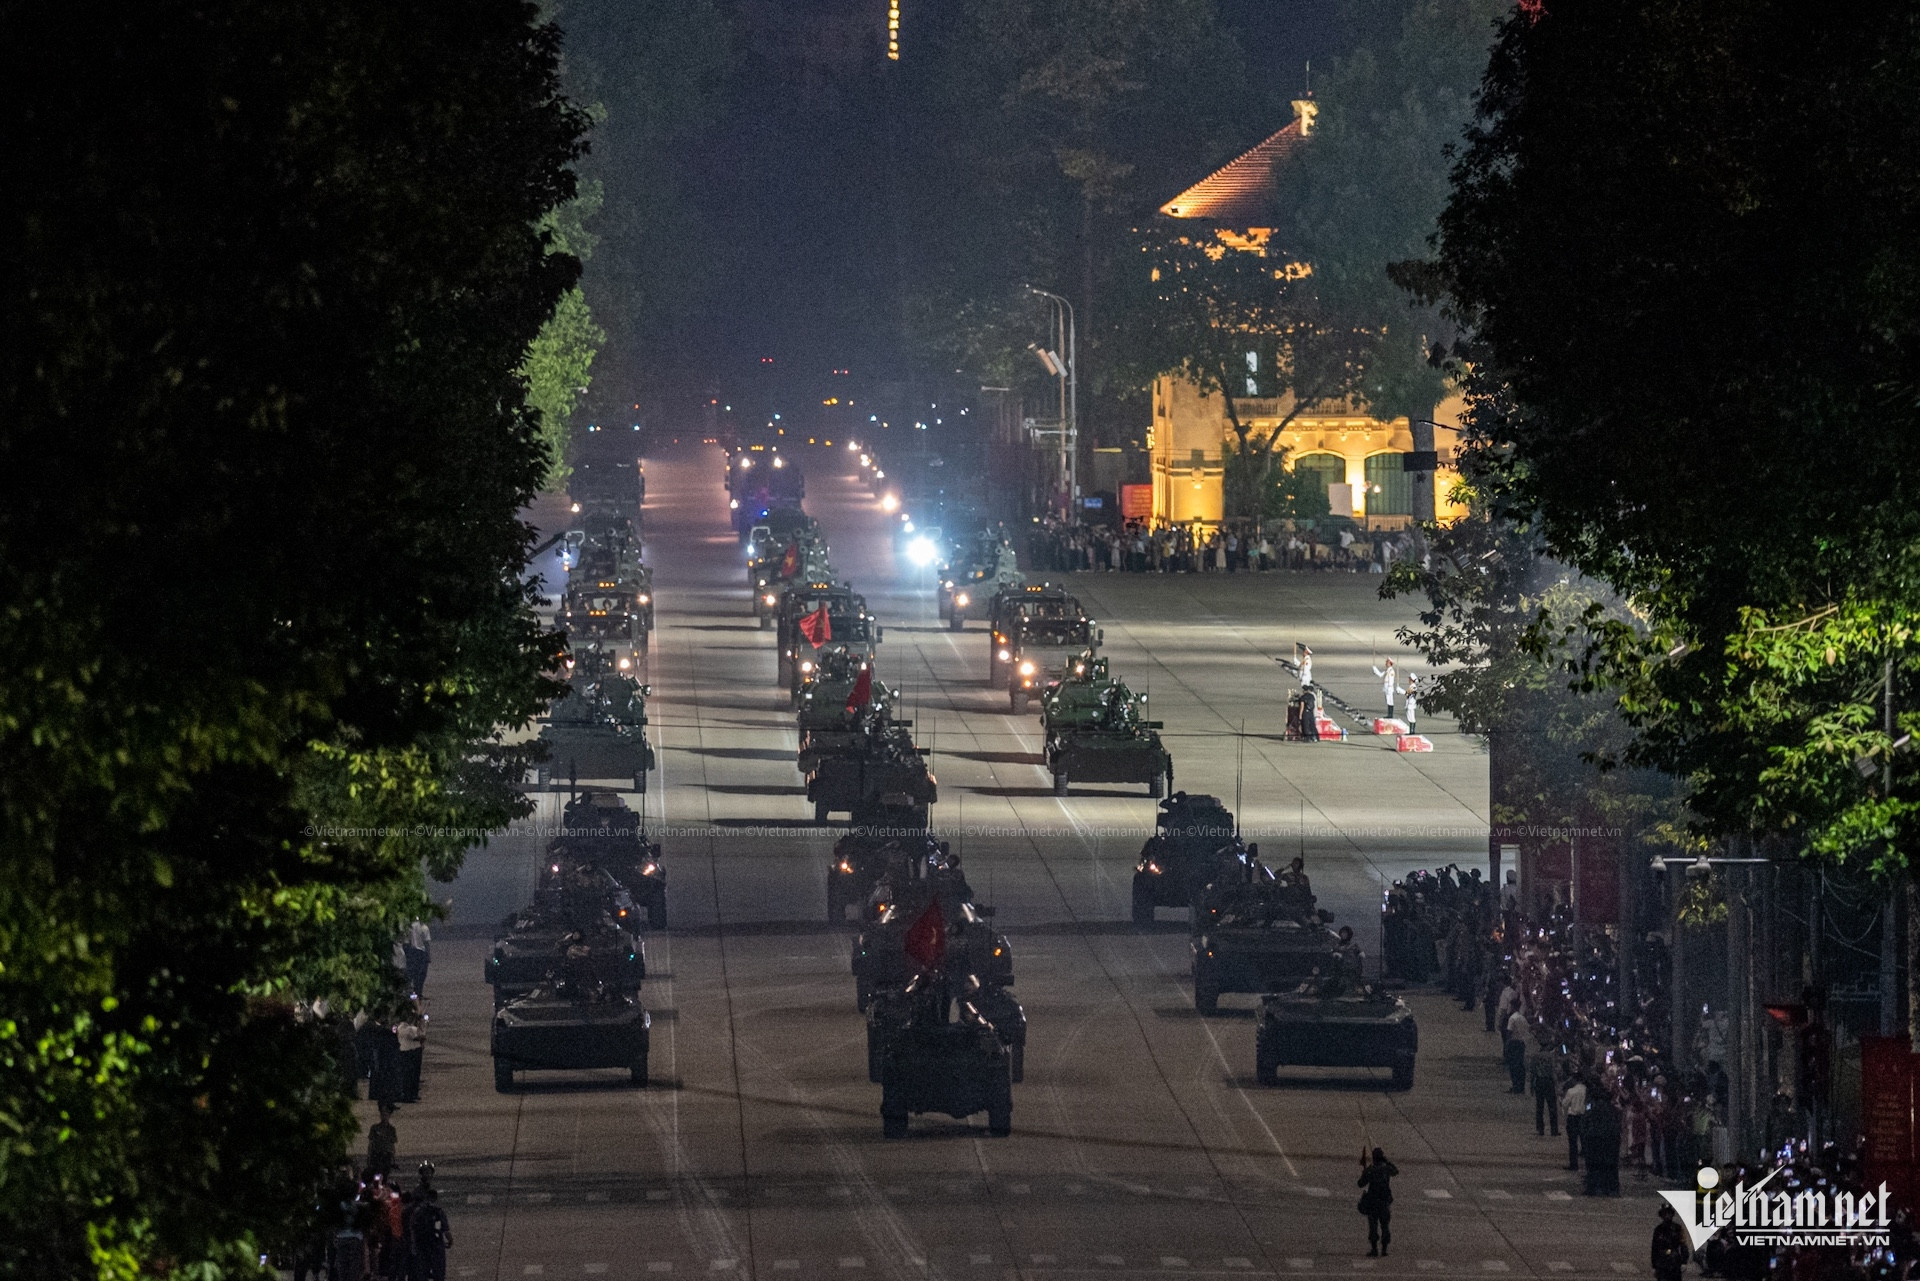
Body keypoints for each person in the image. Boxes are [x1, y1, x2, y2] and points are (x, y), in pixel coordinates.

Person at [1357, 1147, 1398, 1257]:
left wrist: (1364, 1171)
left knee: (1373, 1226)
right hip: (1384, 1201)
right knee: (1385, 1225)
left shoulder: (1371, 1170)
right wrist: (1387, 1161)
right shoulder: (1386, 1169)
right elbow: (1395, 1171)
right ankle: (1384, 1250)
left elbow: (1360, 1184)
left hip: (1373, 1202)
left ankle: (1374, 1249)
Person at [1652, 1203, 1692, 1281]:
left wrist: (1684, 1262)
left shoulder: (1678, 1228)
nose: (1667, 1216)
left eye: (1669, 1213)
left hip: (1674, 1262)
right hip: (1662, 1262)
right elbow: (1654, 1248)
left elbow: (1683, 1245)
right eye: (1665, 1214)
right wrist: (1654, 1266)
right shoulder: (1658, 1230)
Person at [1530, 1037, 1561, 1137]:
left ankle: (1540, 1129)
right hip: (1548, 1082)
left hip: (1539, 1081)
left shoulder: (1535, 1056)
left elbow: (1532, 1071)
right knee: (1552, 1106)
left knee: (1540, 1106)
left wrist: (1531, 1085)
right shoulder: (1550, 1057)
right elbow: (1553, 1071)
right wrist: (1556, 1085)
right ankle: (1554, 1129)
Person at [1562, 1073, 1588, 1171]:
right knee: (1585, 1141)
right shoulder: (1587, 1091)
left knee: (1573, 1143)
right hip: (1583, 1117)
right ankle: (1587, 1164)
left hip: (1573, 1117)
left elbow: (1565, 1104)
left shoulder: (1571, 1091)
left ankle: (1574, 1164)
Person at [365, 1103, 398, 1180]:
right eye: (382, 1114)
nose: (384, 1116)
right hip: (376, 1155)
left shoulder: (391, 1129)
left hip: (386, 1156)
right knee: (376, 1175)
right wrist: (369, 1156)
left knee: (385, 1176)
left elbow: (392, 1144)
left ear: (389, 1116)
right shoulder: (375, 1128)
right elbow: (371, 1143)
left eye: (386, 1114)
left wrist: (393, 1158)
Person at [1504, 1006, 1531, 1093]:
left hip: (1514, 1043)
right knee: (1520, 1065)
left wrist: (1506, 1045)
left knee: (1513, 1066)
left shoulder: (1512, 1018)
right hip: (1521, 1043)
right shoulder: (1522, 1018)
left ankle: (1515, 1086)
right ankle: (1521, 1086)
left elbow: (1509, 1031)